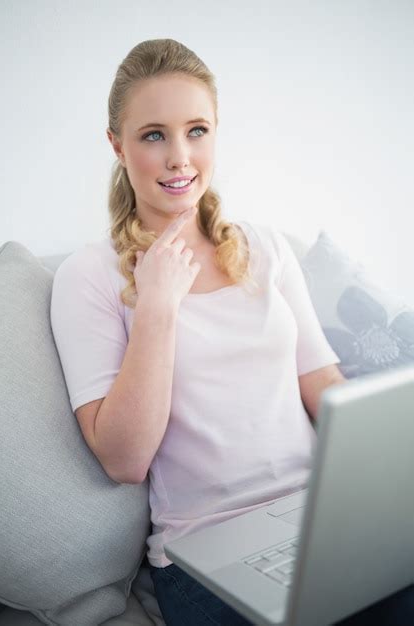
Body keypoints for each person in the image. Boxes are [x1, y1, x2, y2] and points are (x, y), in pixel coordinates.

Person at [50, 39, 413, 626]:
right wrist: (158, 304)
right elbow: (124, 458)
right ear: (117, 144)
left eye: (197, 130)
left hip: (321, 521)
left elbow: (322, 381)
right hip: (202, 554)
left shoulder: (265, 248)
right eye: (153, 135)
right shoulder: (89, 275)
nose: (179, 158)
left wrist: (388, 472)